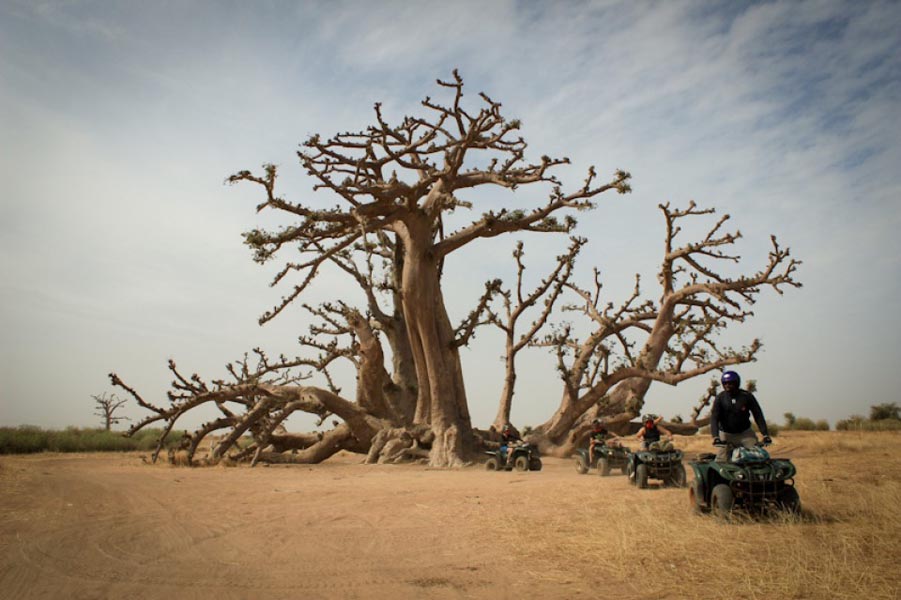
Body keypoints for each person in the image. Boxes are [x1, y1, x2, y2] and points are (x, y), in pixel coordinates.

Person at [710, 370, 772, 462]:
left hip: (745, 433)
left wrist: (765, 434)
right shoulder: (720, 398)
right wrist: (715, 436)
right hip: (726, 434)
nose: (728, 385)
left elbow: (758, 414)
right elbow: (714, 417)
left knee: (758, 457)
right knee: (721, 462)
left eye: (731, 383)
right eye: (725, 383)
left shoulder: (746, 396)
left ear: (737, 383)